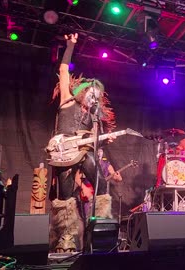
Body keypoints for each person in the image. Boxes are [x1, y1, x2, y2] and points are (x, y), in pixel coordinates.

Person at [48, 33, 116, 253]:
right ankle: (66, 238)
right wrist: (70, 46)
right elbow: (64, 71)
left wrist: (104, 138)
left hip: (83, 152)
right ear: (82, 92)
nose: (92, 98)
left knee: (102, 184)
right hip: (63, 152)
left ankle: (101, 228)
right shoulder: (67, 99)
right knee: (65, 194)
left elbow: (94, 141)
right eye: (90, 94)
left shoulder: (92, 115)